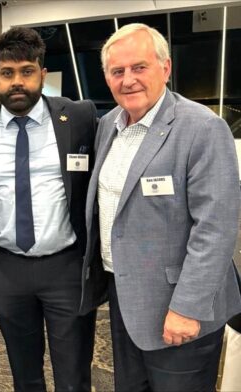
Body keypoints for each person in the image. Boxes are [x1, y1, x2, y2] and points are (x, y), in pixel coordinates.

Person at [80, 23, 241, 391]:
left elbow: (215, 229)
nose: (128, 80)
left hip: (179, 304)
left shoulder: (201, 128)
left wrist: (187, 307)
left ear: (165, 68)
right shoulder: (109, 125)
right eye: (117, 71)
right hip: (126, 296)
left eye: (140, 67)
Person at [0, 27, 98, 391]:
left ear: (42, 74)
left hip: (66, 267)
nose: (16, 82)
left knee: (73, 376)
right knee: (25, 375)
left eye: (26, 71)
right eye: (7, 73)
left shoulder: (79, 117)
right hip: (7, 272)